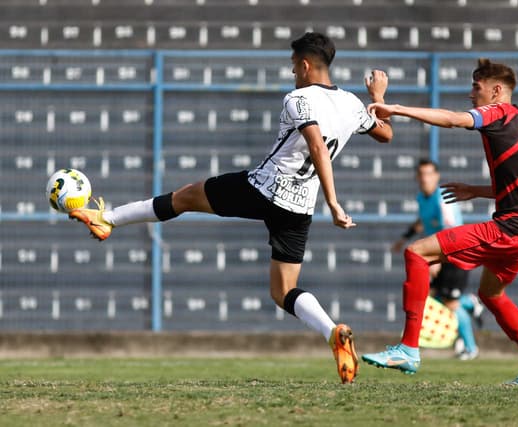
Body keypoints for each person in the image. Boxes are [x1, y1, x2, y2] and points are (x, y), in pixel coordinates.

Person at [69, 32, 393, 384]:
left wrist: (334, 202)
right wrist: (376, 98)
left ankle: (107, 220)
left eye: (292, 67)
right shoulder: (350, 104)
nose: (292, 74)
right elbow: (385, 134)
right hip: (299, 207)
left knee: (186, 196)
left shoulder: (297, 99)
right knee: (283, 291)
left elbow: (315, 144)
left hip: (264, 188)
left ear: (304, 65)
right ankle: (333, 333)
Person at [362, 58, 518, 385]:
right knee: (491, 295)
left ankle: (409, 350)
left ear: (496, 91)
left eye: (476, 87)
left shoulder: (497, 113)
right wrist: (477, 190)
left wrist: (394, 108)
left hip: (509, 228)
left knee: (416, 253)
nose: (471, 93)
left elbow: (453, 120)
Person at [392, 158, 480, 361]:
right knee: (433, 298)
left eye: (429, 174)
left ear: (437, 176)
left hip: (456, 255)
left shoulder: (442, 199)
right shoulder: (422, 198)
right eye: (421, 174)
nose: (425, 178)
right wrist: (404, 239)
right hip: (439, 254)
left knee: (450, 305)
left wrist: (438, 260)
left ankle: (470, 347)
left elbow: (450, 230)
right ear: (417, 177)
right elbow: (422, 221)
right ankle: (470, 303)